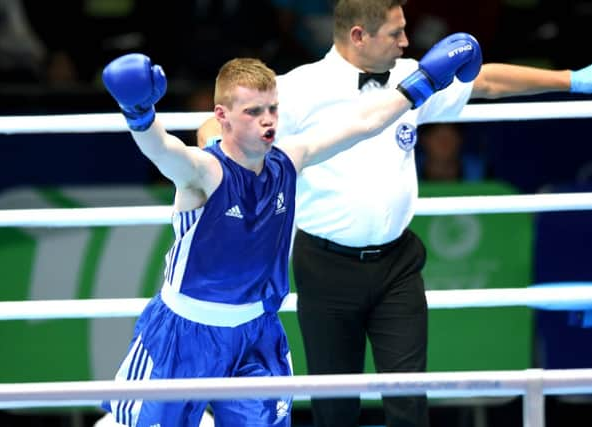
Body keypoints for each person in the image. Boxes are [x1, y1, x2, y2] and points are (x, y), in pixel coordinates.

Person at [196, 1, 592, 426]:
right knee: (335, 409)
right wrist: (215, 163)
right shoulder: (296, 90)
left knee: (409, 403)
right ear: (358, 37)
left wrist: (571, 79)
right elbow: (213, 126)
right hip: (325, 267)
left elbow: (486, 81)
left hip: (398, 266)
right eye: (395, 33)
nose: (406, 41)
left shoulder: (410, 76)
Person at [99, 30, 482, 426]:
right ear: (222, 116)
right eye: (252, 112)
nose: (267, 121)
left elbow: (363, 122)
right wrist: (140, 115)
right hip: (183, 335)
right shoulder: (204, 172)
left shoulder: (289, 159)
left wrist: (424, 82)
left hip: (256, 335)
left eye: (272, 109)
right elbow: (163, 151)